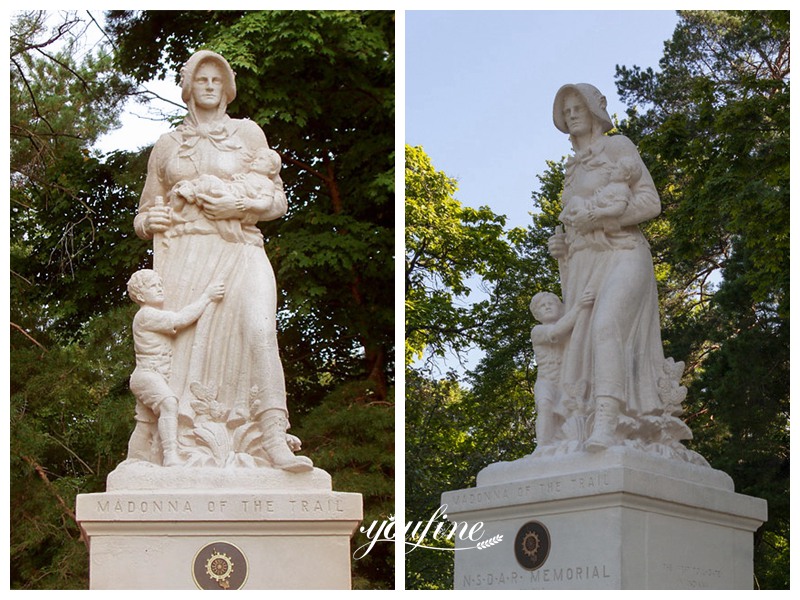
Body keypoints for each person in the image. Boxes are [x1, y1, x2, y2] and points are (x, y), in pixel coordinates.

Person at [133, 50, 312, 472]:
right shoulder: (167, 145)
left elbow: (278, 202)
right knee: (183, 354)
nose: (210, 86)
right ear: (188, 88)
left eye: (217, 79)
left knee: (259, 328)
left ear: (227, 88)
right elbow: (146, 210)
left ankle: (272, 436)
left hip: (241, 246)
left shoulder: (249, 135)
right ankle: (175, 446)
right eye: (202, 79)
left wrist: (235, 205)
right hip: (185, 258)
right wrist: (148, 220)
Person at [548, 83, 668, 452]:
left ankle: (607, 424)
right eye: (565, 111)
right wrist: (562, 248)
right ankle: (578, 427)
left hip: (623, 250)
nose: (571, 115)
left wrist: (608, 221)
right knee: (581, 343)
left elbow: (650, 202)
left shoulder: (618, 147)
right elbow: (574, 222)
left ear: (594, 110)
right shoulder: (571, 167)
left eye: (576, 107)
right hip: (585, 260)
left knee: (605, 326)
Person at [127, 270, 224, 466]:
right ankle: (171, 455)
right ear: (140, 295)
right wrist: (206, 297)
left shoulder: (150, 314)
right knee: (169, 404)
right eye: (153, 286)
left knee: (145, 424)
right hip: (147, 374)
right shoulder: (146, 315)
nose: (160, 288)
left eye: (160, 284)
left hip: (155, 375)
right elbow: (180, 320)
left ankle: (133, 460)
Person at [529, 290, 594, 448]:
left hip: (566, 381)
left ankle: (563, 441)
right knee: (545, 406)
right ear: (537, 314)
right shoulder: (537, 331)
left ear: (560, 308)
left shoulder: (573, 328)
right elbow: (557, 331)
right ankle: (543, 445)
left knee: (566, 413)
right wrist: (579, 307)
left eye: (551, 304)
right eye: (542, 306)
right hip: (546, 381)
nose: (547, 307)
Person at [171, 146, 283, 225]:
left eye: (261, 159)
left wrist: (246, 206)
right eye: (255, 158)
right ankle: (191, 192)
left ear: (272, 169)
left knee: (211, 184)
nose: (255, 161)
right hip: (229, 189)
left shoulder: (267, 183)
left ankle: (192, 194)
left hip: (232, 196)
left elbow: (270, 204)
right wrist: (237, 178)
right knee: (208, 180)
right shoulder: (246, 175)